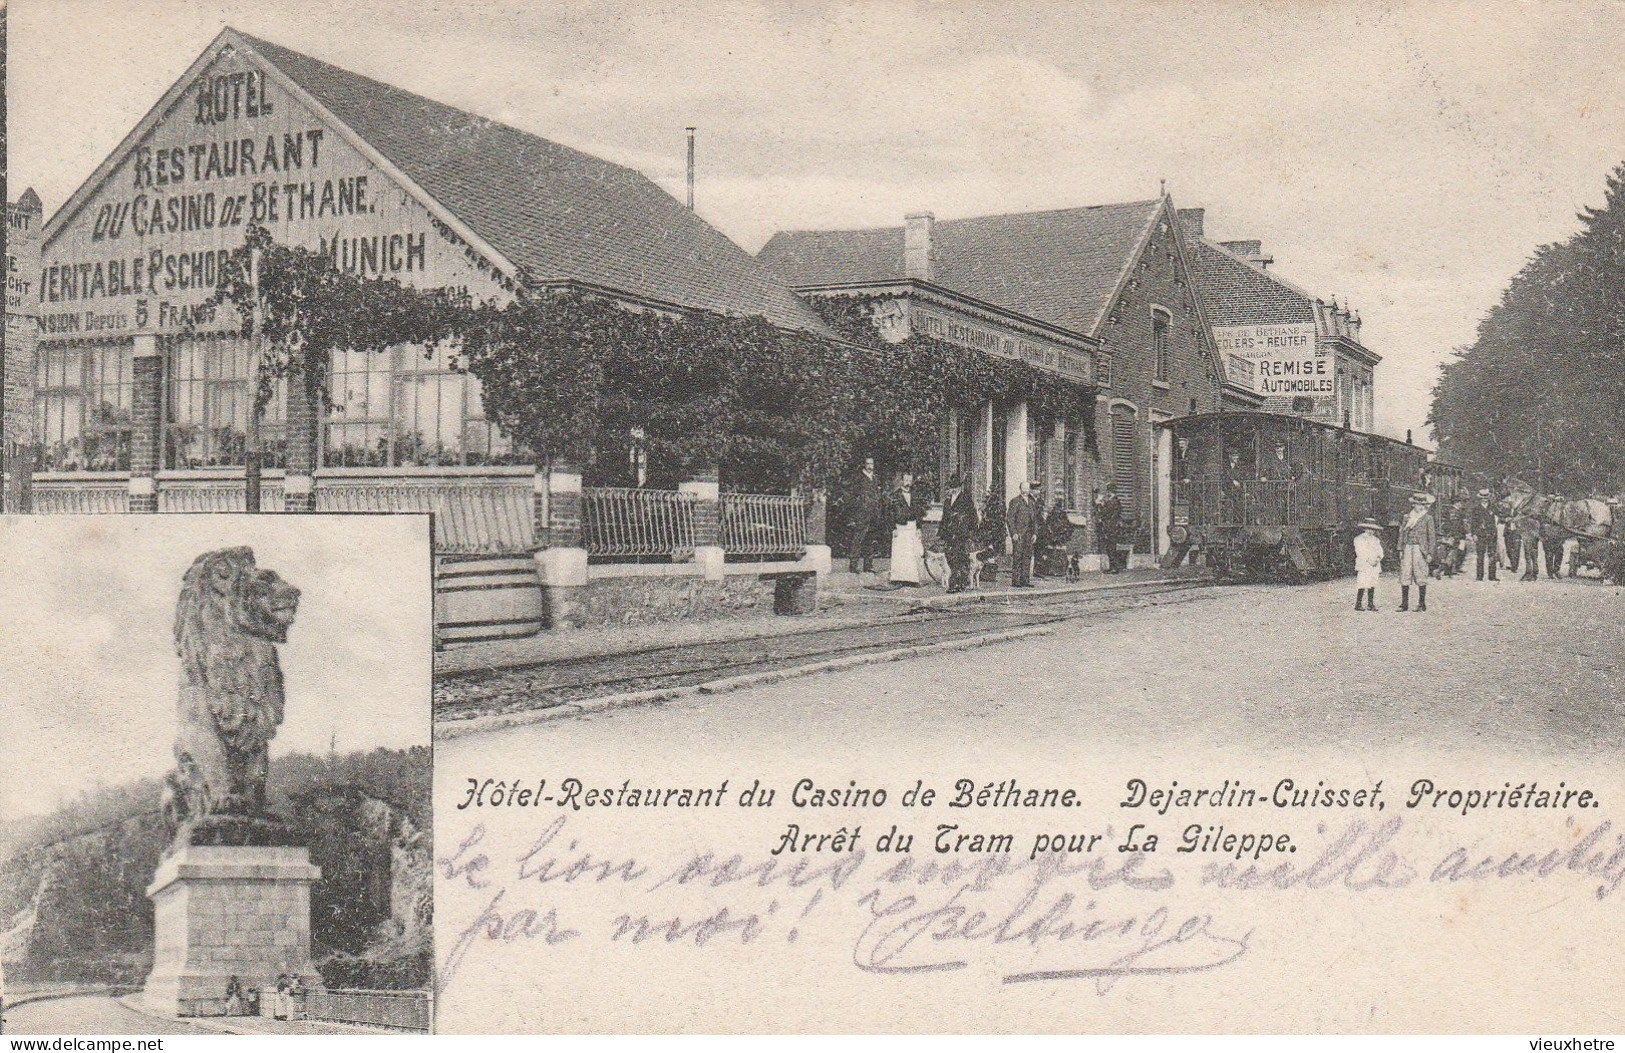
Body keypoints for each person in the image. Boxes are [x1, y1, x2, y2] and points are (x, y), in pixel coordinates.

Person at [937, 472, 979, 594]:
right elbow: (944, 518)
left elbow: (973, 516)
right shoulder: (947, 501)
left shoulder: (966, 499)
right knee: (950, 557)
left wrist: (970, 531)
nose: (953, 490)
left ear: (960, 487)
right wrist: (941, 533)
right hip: (949, 534)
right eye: (951, 487)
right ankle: (959, 582)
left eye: (955, 487)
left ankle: (956, 584)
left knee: (959, 558)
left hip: (961, 534)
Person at [886, 472, 928, 586]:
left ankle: (912, 579)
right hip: (900, 527)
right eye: (906, 480)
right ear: (901, 481)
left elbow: (919, 513)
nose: (908, 483)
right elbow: (889, 514)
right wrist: (893, 528)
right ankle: (898, 578)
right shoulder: (894, 496)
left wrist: (919, 527)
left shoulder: (915, 495)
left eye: (910, 480)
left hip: (912, 526)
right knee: (900, 553)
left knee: (912, 553)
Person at [845, 456, 885, 574]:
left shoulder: (875, 479)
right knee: (858, 539)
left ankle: (868, 565)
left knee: (870, 540)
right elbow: (853, 497)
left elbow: (878, 497)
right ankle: (853, 565)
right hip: (862, 515)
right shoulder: (859, 479)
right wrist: (855, 514)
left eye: (871, 464)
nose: (869, 466)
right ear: (864, 465)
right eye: (867, 464)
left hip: (873, 515)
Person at [1397, 491, 1437, 611]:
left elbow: (1432, 537)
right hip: (1408, 547)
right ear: (1413, 505)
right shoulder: (1407, 517)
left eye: (1421, 505)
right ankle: (1404, 604)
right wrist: (1400, 548)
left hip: (1420, 549)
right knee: (1405, 573)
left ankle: (1421, 604)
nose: (1419, 507)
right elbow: (1402, 534)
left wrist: (1430, 553)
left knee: (1420, 574)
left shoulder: (1427, 518)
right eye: (1416, 504)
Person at [1007, 481, 1041, 587]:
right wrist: (1014, 533)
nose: (1026, 490)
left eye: (1027, 488)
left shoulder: (1031, 503)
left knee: (1027, 557)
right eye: (1024, 488)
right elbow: (1010, 519)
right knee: (1017, 557)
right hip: (1019, 535)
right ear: (1020, 489)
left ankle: (1025, 580)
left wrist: (1035, 533)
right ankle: (1016, 581)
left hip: (1029, 535)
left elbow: (1035, 520)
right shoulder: (1015, 501)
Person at [1353, 518, 1385, 611]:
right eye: (1368, 529)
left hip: (1374, 564)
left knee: (1372, 583)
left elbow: (1380, 551)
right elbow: (1360, 551)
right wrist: (1369, 560)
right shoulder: (1359, 539)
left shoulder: (1376, 540)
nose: (1370, 531)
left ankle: (1370, 604)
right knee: (1362, 583)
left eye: (1372, 529)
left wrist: (1378, 559)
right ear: (1364, 529)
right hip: (1365, 564)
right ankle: (1358, 604)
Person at [1037, 497, 1073, 577]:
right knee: (1055, 553)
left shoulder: (1057, 515)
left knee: (1057, 554)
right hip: (1055, 538)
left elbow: (1067, 526)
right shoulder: (1055, 515)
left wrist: (1062, 535)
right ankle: (1056, 570)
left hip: (1057, 538)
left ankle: (1055, 570)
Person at [1470, 488, 1499, 581]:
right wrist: (1474, 534)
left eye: (1486, 497)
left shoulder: (1493, 507)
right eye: (1483, 497)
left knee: (1492, 555)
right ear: (1480, 498)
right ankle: (1479, 576)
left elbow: (1500, 515)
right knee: (1480, 556)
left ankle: (1492, 576)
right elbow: (1473, 523)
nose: (1485, 499)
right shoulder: (1476, 509)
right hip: (1480, 534)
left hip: (1491, 534)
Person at [1096, 483, 1125, 573]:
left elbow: (1108, 513)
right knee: (1110, 547)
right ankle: (1112, 567)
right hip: (1111, 526)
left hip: (1111, 527)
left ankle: (1114, 568)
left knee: (1111, 547)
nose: (1107, 493)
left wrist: (1100, 505)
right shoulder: (1113, 501)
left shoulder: (1113, 501)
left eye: (1108, 491)